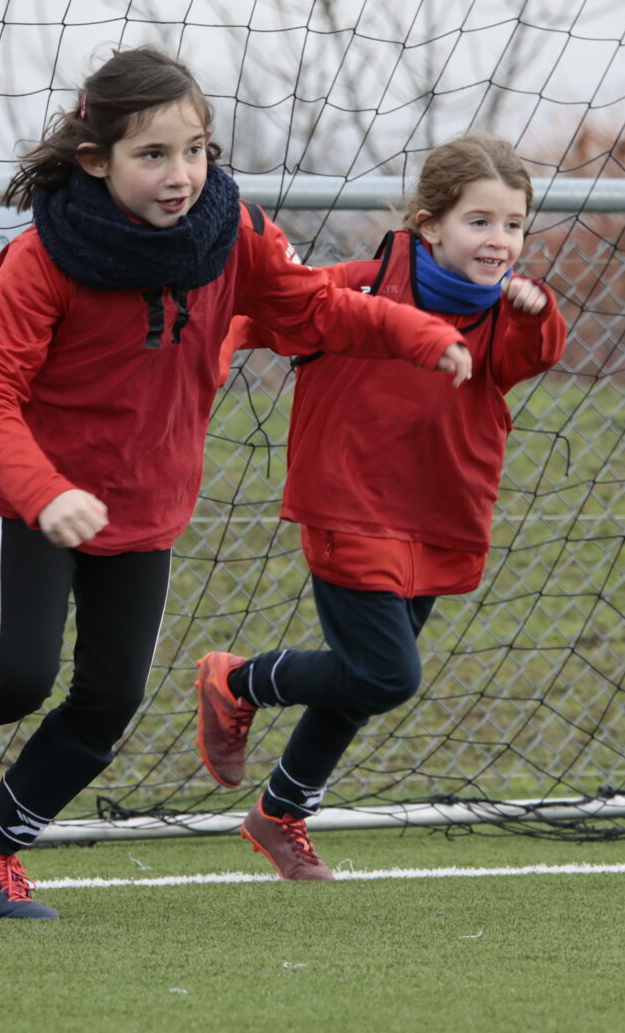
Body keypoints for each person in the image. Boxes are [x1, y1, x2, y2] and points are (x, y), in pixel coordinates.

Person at [0, 47, 472, 919]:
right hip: (36, 499)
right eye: (152, 154)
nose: (181, 174)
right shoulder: (42, 259)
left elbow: (312, 307)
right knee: (22, 675)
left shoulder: (235, 231)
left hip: (147, 508)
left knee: (109, 701)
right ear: (96, 160)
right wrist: (45, 492)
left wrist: (419, 334)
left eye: (194, 150)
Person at [196, 133, 567, 880]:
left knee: (360, 679)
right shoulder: (357, 289)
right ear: (430, 224)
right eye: (479, 221)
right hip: (348, 507)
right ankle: (237, 681)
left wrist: (534, 312)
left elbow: (533, 356)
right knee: (388, 675)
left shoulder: (509, 315)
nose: (498, 240)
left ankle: (279, 813)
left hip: (440, 515)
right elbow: (268, 312)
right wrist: (215, 350)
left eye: (513, 225)